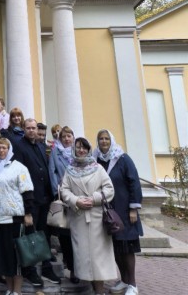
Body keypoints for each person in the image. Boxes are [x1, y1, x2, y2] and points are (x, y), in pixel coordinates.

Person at [61, 137, 117, 295]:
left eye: (84, 147)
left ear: (89, 149)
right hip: (78, 218)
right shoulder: (69, 169)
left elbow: (109, 189)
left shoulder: (98, 168)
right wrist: (76, 201)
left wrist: (94, 199)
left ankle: (100, 291)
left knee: (98, 258)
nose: (81, 150)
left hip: (97, 218)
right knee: (84, 258)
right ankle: (92, 290)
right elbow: (64, 190)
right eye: (78, 147)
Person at [94, 129, 143, 295]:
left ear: (112, 140)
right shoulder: (96, 160)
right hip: (108, 212)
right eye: (101, 138)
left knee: (127, 247)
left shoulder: (123, 158)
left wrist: (133, 208)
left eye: (107, 138)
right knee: (116, 247)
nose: (104, 141)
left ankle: (133, 284)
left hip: (125, 210)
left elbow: (134, 182)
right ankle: (123, 280)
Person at [13, 118, 60, 287]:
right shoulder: (18, 146)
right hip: (29, 200)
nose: (32, 130)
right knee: (30, 236)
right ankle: (30, 271)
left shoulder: (41, 146)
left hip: (44, 198)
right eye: (29, 128)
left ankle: (46, 268)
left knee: (44, 235)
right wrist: (26, 205)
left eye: (34, 128)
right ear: (24, 129)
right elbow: (18, 174)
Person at [0, 138, 34, 295]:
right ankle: (9, 288)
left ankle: (17, 291)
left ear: (9, 149)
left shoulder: (18, 168)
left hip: (14, 219)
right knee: (3, 257)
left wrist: (28, 213)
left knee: (16, 257)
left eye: (4, 148)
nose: (1, 150)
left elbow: (27, 191)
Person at [48, 126, 78, 284]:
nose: (67, 139)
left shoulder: (78, 151)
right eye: (64, 137)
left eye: (69, 136)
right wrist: (56, 191)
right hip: (64, 198)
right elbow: (52, 171)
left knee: (78, 235)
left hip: (79, 198)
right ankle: (72, 269)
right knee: (65, 236)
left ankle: (80, 268)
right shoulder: (55, 151)